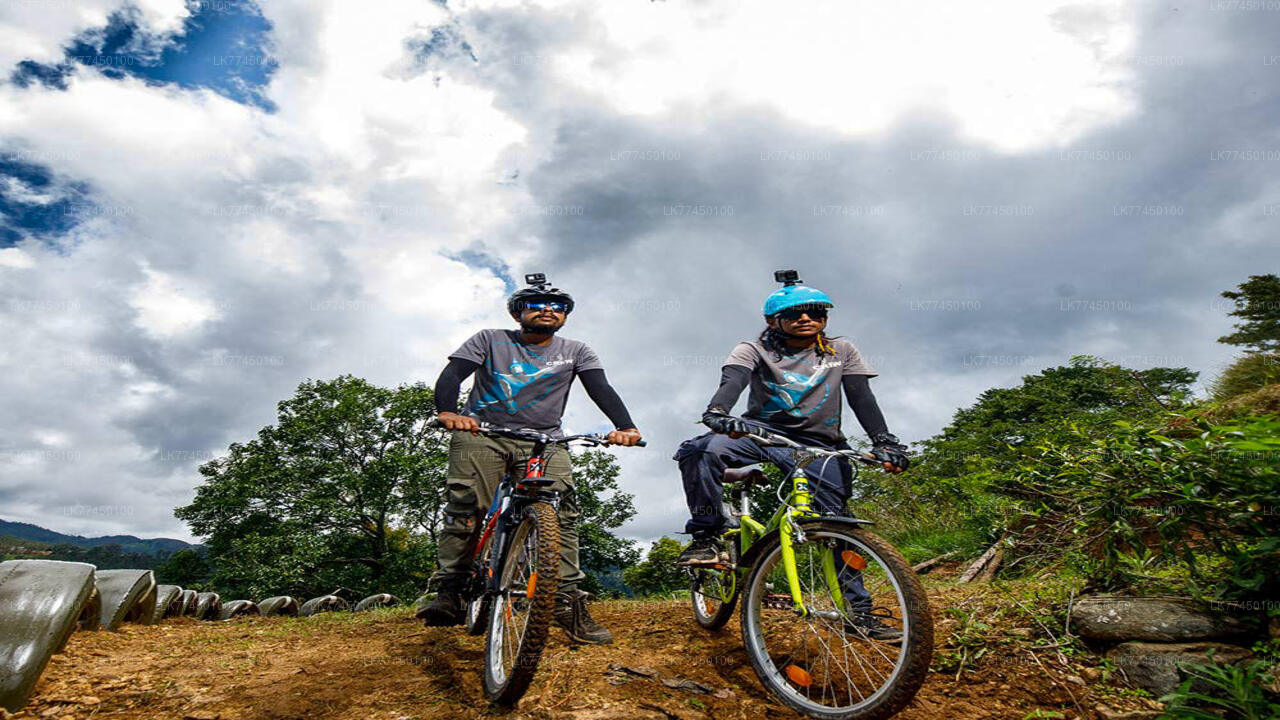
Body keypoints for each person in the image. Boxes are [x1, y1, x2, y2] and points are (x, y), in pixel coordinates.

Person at [673, 270, 910, 640]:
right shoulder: (753, 349)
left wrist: (883, 440)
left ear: (826, 317)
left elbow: (862, 397)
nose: (806, 318)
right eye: (795, 313)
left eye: (816, 311)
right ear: (773, 321)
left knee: (840, 528)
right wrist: (719, 412)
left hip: (821, 444)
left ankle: (859, 614)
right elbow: (732, 382)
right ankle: (707, 536)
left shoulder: (841, 351)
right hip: (761, 435)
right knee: (700, 450)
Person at [419, 274, 643, 644]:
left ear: (566, 316)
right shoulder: (489, 340)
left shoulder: (577, 351)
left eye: (558, 307)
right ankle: (450, 590)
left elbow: (600, 388)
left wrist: (626, 427)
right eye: (536, 305)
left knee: (562, 512)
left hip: (544, 440)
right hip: (482, 434)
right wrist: (448, 412)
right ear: (518, 312)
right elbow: (453, 375)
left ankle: (565, 600)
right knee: (467, 505)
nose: (548, 311)